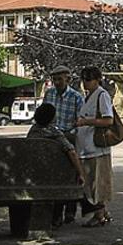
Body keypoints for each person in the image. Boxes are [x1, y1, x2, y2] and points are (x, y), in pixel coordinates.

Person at [42, 65, 84, 225]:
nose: (57, 82)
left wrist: (70, 134)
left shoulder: (76, 97)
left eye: (60, 79)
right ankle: (56, 213)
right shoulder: (49, 94)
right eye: (55, 79)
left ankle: (70, 211)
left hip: (68, 136)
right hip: (52, 138)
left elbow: (79, 120)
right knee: (56, 177)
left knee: (70, 175)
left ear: (68, 79)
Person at [74, 66, 115, 227]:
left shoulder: (101, 95)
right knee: (91, 183)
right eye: (83, 79)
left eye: (88, 79)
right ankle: (102, 213)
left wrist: (85, 122)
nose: (85, 83)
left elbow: (108, 120)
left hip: (97, 148)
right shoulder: (89, 96)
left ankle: (99, 215)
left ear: (97, 79)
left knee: (97, 184)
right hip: (86, 148)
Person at [27, 102, 86, 193]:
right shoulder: (55, 133)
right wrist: (81, 173)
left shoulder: (33, 131)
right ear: (51, 118)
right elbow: (72, 152)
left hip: (34, 171)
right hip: (55, 173)